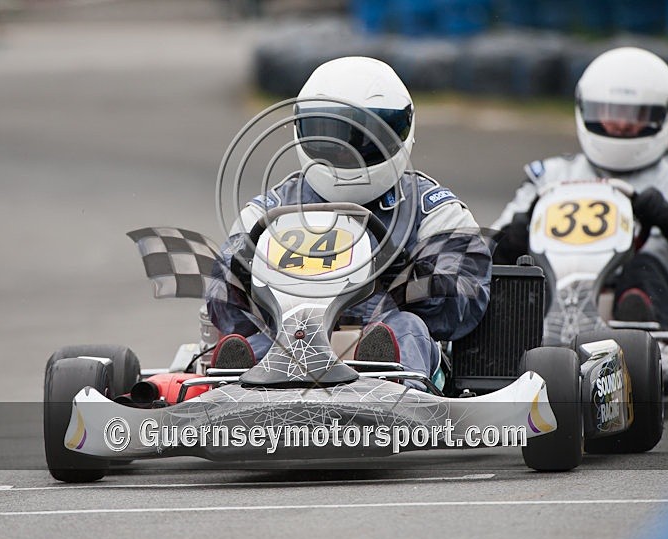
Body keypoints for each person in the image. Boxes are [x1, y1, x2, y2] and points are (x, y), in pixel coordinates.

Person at [206, 56, 492, 389]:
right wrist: (244, 281)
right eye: (332, 137)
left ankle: (387, 378)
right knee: (257, 339)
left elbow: (464, 300)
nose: (349, 154)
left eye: (365, 138)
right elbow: (222, 302)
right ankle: (241, 382)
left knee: (406, 328)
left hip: (385, 335)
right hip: (293, 340)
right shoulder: (272, 209)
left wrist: (405, 280)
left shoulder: (432, 210)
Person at [492, 47, 668, 333]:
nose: (621, 125)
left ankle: (641, 334)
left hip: (651, 297)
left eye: (636, 115)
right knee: (524, 272)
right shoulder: (551, 175)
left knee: (644, 267)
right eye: (611, 113)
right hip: (554, 293)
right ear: (585, 110)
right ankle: (522, 339)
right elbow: (491, 251)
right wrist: (523, 227)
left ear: (664, 115)